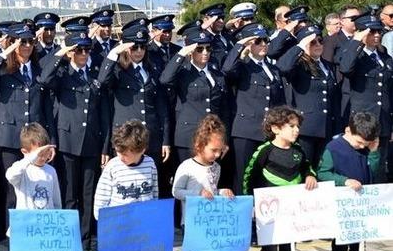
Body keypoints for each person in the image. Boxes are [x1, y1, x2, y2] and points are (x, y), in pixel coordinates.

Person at [39, 16, 109, 251]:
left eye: (87, 50)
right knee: (70, 195)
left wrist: (105, 144)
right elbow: (44, 80)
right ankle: (71, 240)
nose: (83, 54)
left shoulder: (94, 73)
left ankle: (88, 241)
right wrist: (62, 54)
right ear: (71, 52)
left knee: (88, 194)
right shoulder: (62, 73)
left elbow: (103, 112)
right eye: (78, 50)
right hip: (67, 142)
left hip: (91, 142)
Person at [0, 23, 51, 240]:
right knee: (11, 191)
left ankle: (28, 232)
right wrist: (6, 53)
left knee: (32, 187)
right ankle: (12, 237)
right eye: (22, 42)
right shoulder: (1, 69)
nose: (27, 46)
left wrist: (50, 142)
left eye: (30, 41)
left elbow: (46, 107)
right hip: (9, 138)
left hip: (34, 140)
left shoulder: (38, 70)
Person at [242, 106, 317, 251]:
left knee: (289, 250)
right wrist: (250, 204)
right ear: (275, 129)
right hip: (269, 215)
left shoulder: (298, 150)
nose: (296, 130)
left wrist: (310, 175)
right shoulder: (264, 151)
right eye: (291, 126)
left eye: (297, 126)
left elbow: (308, 167)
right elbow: (249, 176)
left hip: (292, 213)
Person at [94, 120, 157, 251]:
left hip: (140, 229)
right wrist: (104, 224)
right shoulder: (113, 166)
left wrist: (152, 218)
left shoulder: (150, 164)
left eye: (126, 153)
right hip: (118, 229)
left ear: (141, 150)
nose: (121, 156)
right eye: (118, 151)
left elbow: (154, 192)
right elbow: (101, 198)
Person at [99, 18, 171, 202]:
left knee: (151, 184)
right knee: (126, 187)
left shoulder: (152, 68)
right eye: (134, 47)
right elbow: (102, 81)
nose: (139, 51)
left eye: (142, 47)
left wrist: (165, 139)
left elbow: (161, 106)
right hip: (127, 139)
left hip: (151, 136)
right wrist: (114, 52)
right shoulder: (118, 70)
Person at [317, 111, 384, 251]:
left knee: (359, 243)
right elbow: (323, 173)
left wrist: (374, 152)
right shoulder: (334, 147)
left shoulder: (368, 147)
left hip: (360, 205)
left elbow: (373, 171)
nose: (362, 146)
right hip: (342, 204)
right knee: (341, 243)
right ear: (348, 130)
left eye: (366, 143)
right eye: (360, 143)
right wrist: (344, 181)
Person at [171, 115, 234, 251]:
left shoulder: (217, 167)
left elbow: (213, 191)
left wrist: (223, 192)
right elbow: (176, 191)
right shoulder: (187, 167)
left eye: (219, 150)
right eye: (213, 150)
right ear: (200, 145)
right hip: (192, 221)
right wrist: (196, 194)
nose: (216, 154)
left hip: (211, 221)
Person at [4, 123, 61, 251]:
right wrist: (31, 157)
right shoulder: (23, 171)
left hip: (45, 232)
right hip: (23, 233)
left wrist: (58, 222)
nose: (43, 156)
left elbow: (56, 200)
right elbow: (10, 174)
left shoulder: (51, 172)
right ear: (25, 152)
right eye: (39, 152)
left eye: (45, 151)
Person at [222, 22, 286, 195]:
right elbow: (227, 69)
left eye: (265, 40)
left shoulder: (273, 69)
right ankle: (246, 215)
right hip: (246, 132)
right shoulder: (243, 67)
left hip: (268, 131)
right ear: (249, 44)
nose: (264, 44)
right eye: (258, 41)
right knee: (244, 177)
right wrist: (240, 45)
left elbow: (279, 101)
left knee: (265, 176)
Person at [337, 11, 393, 181]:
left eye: (379, 32)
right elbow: (345, 68)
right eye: (371, 32)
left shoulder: (385, 57)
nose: (376, 35)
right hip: (362, 120)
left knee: (380, 165)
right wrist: (356, 41)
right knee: (359, 164)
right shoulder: (354, 54)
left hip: (382, 120)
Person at [160, 25, 230, 163]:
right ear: (191, 51)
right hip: (189, 136)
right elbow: (165, 79)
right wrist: (181, 53)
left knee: (211, 179)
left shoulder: (217, 75)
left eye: (208, 49)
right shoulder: (183, 73)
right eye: (199, 49)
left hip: (213, 138)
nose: (205, 53)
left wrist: (224, 139)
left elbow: (224, 110)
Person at [275, 24, 339, 166]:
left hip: (327, 128)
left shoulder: (328, 66)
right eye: (312, 42)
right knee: (305, 171)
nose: (318, 45)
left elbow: (334, 97)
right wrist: (300, 46)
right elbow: (283, 67)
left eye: (320, 40)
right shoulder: (298, 65)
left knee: (324, 171)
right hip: (306, 129)